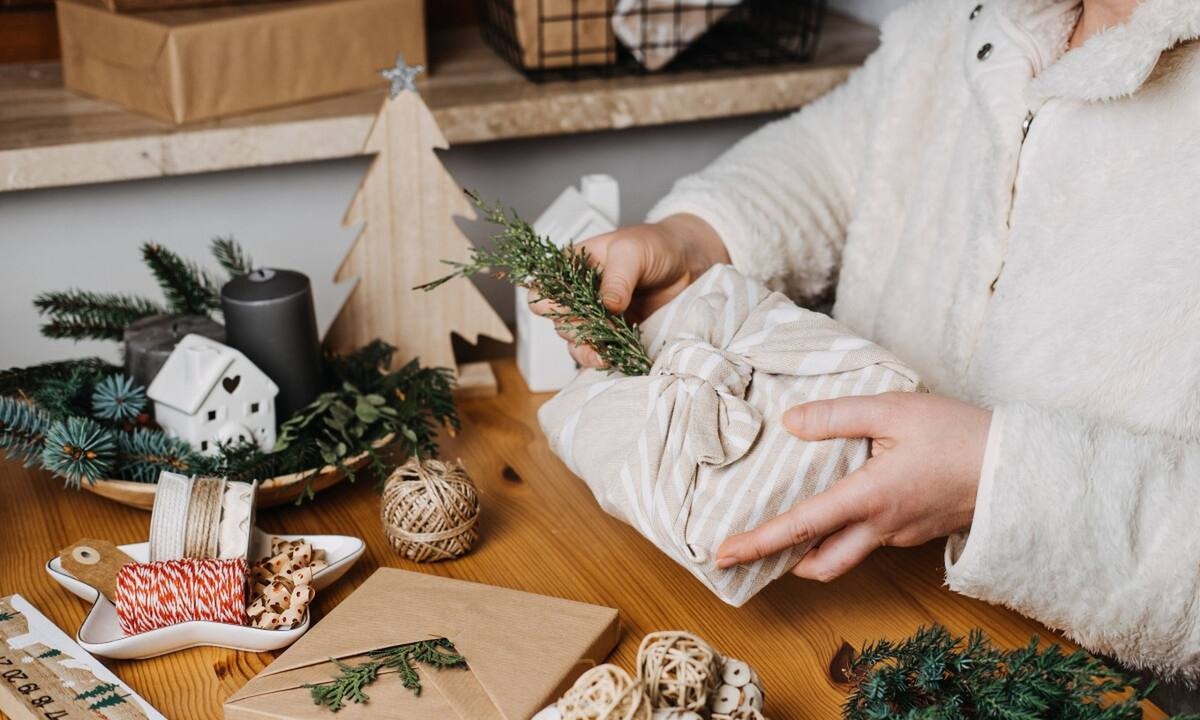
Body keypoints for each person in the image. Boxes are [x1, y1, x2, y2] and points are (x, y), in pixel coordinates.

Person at [535, 0, 1200, 691]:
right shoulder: (972, 15)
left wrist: (998, 485)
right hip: (856, 618)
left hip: (1097, 686)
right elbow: (839, 155)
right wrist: (694, 239)